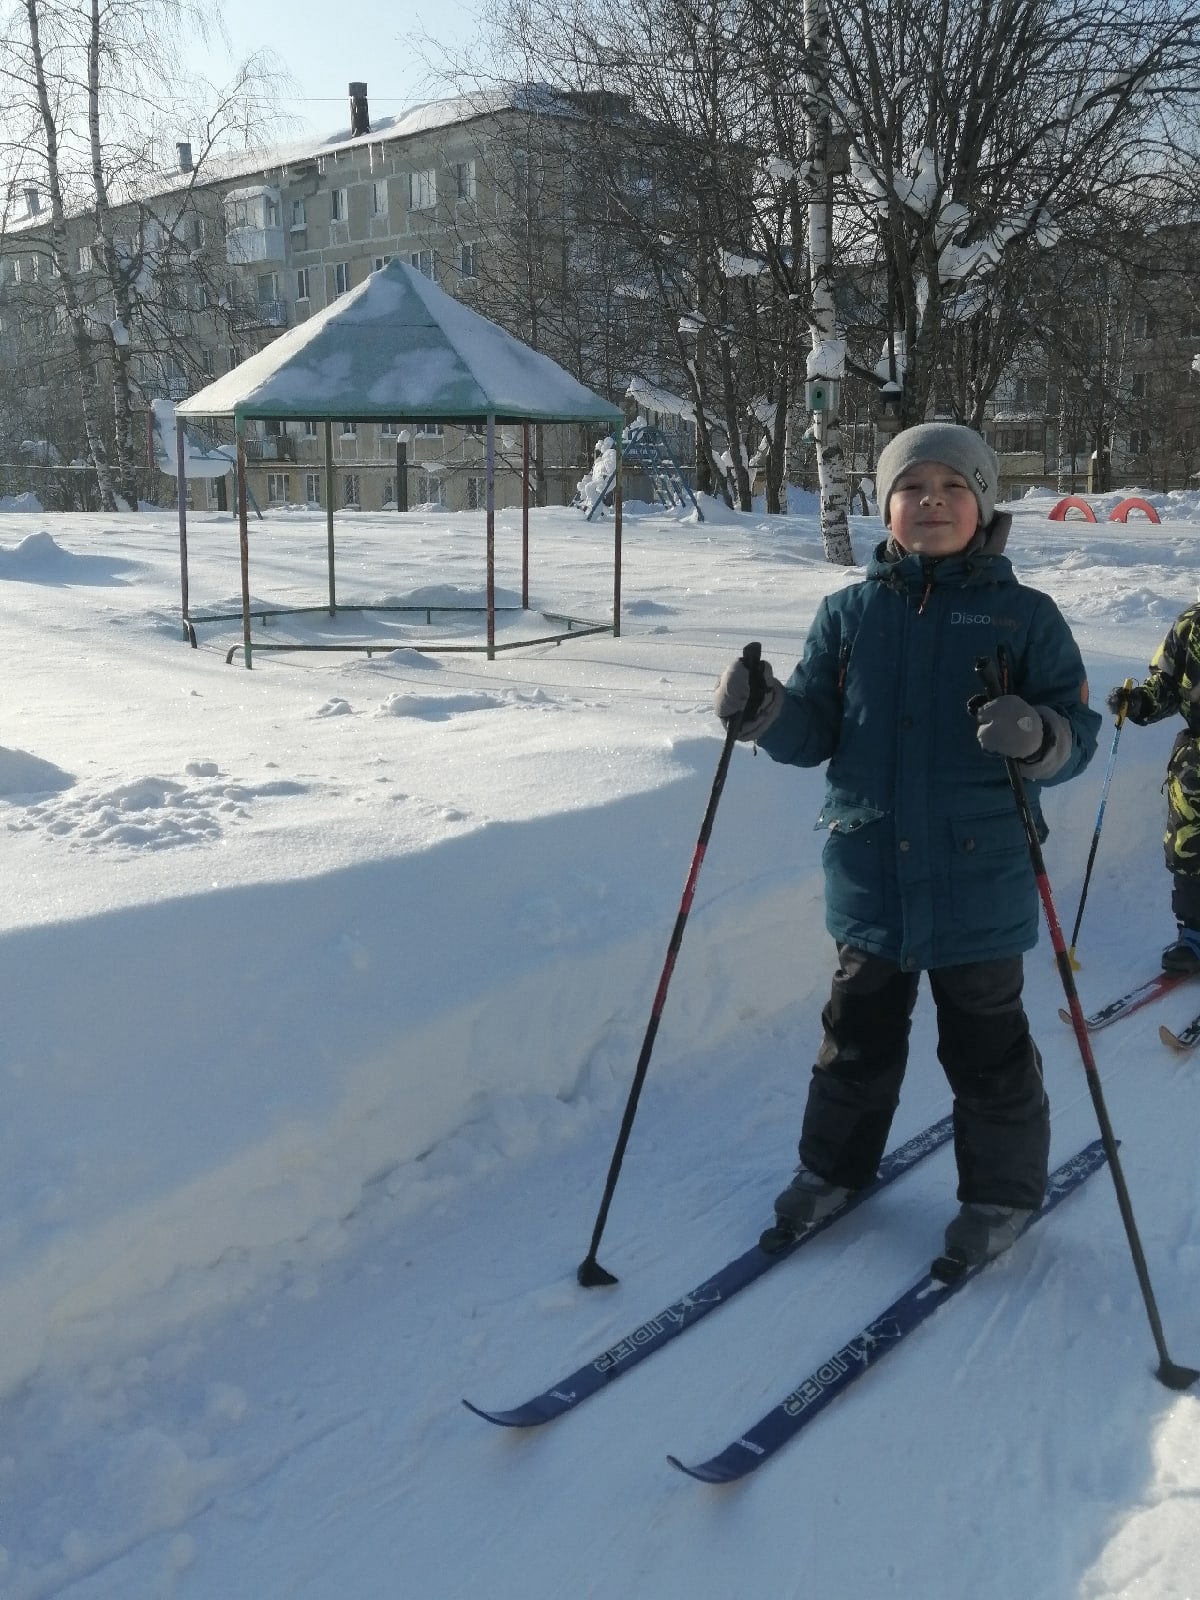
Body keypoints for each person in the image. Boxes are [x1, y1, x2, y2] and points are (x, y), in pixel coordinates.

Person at [714, 423, 1100, 1268]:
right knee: (854, 1038)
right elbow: (816, 727)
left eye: (953, 488)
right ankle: (831, 1173)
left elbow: (1080, 733)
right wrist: (765, 713)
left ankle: (999, 1195)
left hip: (981, 878)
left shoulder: (1023, 616)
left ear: (983, 504)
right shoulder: (847, 615)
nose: (932, 503)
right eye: (912, 488)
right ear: (884, 505)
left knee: (986, 1047)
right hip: (870, 875)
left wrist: (1039, 735)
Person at [1107, 607, 1200, 972]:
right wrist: (1141, 702)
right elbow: (1166, 682)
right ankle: (1193, 933)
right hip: (1198, 756)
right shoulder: (1191, 625)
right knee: (1187, 839)